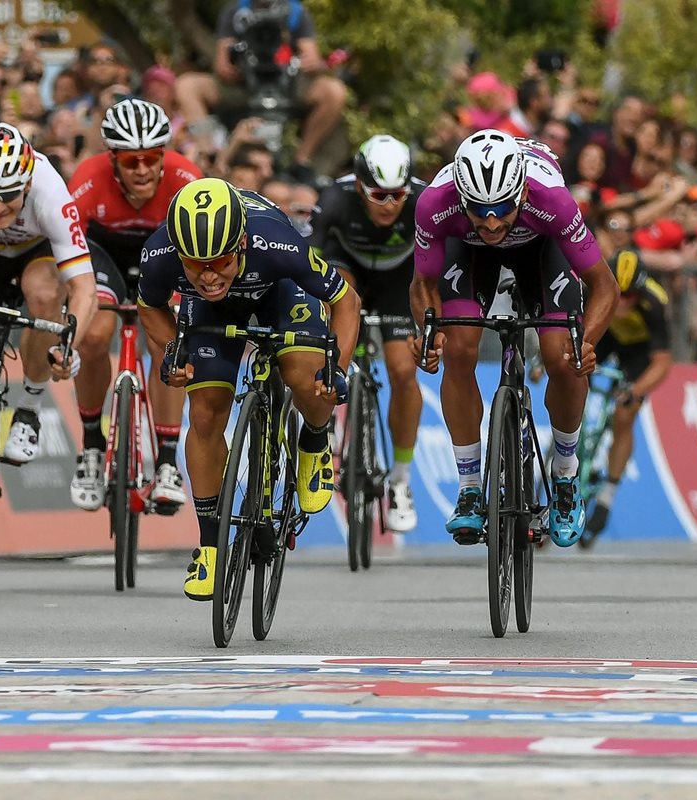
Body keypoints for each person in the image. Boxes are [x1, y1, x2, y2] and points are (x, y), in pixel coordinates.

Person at [138, 177, 360, 600]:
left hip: (280, 290)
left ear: (240, 244)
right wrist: (173, 350)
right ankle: (210, 546)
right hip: (212, 315)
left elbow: (346, 301)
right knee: (205, 412)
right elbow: (150, 306)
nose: (207, 275)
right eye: (195, 264)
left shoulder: (278, 244)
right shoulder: (160, 252)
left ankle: (314, 439)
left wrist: (337, 370)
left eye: (220, 261)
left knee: (305, 376)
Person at [410, 129, 618, 547]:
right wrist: (428, 333)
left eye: (502, 208)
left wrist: (586, 344)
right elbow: (423, 285)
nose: (490, 222)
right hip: (467, 254)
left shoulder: (552, 199)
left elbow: (605, 286)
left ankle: (564, 476)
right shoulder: (434, 203)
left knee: (563, 358)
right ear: (461, 197)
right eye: (479, 209)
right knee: (459, 348)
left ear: (521, 192)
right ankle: (470, 490)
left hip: (540, 251)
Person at [67, 98, 203, 512]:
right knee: (92, 337)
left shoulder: (187, 179)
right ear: (113, 160)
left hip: (166, 255)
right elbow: (67, 246)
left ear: (164, 155)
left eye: (151, 158)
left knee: (167, 342)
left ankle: (166, 462)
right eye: (131, 161)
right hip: (103, 254)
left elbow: (202, 251)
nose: (142, 169)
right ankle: (92, 447)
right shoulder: (88, 180)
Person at [0, 123, 97, 463]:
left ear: (27, 183)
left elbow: (84, 289)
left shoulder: (51, 191)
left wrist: (66, 347)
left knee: (42, 293)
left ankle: (29, 409)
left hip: (34, 255)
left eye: (9, 196)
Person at [308, 134, 425, 532]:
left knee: (404, 372)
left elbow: (440, 270)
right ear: (359, 186)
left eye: (398, 195)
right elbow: (310, 265)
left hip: (398, 283)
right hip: (349, 272)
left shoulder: (424, 203)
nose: (390, 205)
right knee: (338, 310)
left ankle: (401, 480)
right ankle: (319, 437)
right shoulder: (335, 201)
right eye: (378, 195)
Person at [174, 0, 348, 181]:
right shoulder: (235, 11)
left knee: (334, 91)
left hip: (287, 84)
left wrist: (312, 62)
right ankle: (208, 154)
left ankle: (302, 160)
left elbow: (311, 57)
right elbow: (222, 65)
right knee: (187, 86)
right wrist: (235, 63)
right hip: (244, 86)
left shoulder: (296, 12)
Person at [581, 249, 673, 544]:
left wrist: (635, 391)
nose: (624, 304)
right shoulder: (593, 288)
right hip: (606, 335)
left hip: (639, 352)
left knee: (624, 415)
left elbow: (662, 363)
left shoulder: (654, 302)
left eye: (630, 297)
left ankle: (607, 494)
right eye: (619, 296)